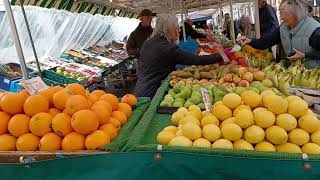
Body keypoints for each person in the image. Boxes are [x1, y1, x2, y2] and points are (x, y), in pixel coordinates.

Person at [135, 14, 223, 98]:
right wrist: (222, 55)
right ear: (170, 29)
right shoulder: (167, 48)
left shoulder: (148, 42)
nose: (179, 30)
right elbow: (196, 60)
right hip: (153, 92)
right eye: (177, 28)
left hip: (140, 89)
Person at [237, 0, 320, 69]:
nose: (281, 18)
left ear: (297, 14)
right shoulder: (284, 28)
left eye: (285, 14)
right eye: (281, 13)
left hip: (314, 75)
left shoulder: (314, 29)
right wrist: (250, 41)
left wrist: (305, 55)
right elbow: (267, 41)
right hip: (295, 74)